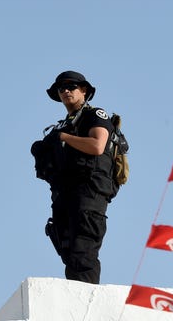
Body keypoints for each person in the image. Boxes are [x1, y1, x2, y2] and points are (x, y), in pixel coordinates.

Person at [31, 70, 126, 284]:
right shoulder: (61, 126)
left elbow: (97, 146)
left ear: (83, 90)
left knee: (83, 250)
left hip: (90, 191)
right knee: (69, 250)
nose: (65, 91)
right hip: (65, 193)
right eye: (61, 88)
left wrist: (64, 137)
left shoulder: (95, 116)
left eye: (71, 86)